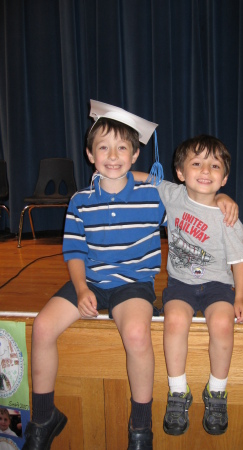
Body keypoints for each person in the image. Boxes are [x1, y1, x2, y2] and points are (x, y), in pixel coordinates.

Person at [22, 100, 167, 450]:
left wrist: (221, 199)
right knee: (42, 327)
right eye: (103, 147)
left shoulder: (154, 196)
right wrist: (80, 286)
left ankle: (141, 429)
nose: (112, 155)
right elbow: (73, 251)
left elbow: (195, 197)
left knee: (136, 333)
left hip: (133, 284)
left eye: (122, 148)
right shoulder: (80, 201)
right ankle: (44, 418)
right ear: (90, 154)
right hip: (90, 280)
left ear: (135, 155)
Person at [134, 134, 243, 436]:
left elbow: (239, 261)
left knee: (224, 324)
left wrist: (240, 298)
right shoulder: (173, 195)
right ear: (180, 173)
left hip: (217, 285)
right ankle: (177, 391)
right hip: (181, 284)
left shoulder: (228, 217)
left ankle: (217, 392)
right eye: (197, 163)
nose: (205, 171)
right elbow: (146, 177)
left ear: (224, 178)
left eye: (214, 166)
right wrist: (117, 173)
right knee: (173, 320)